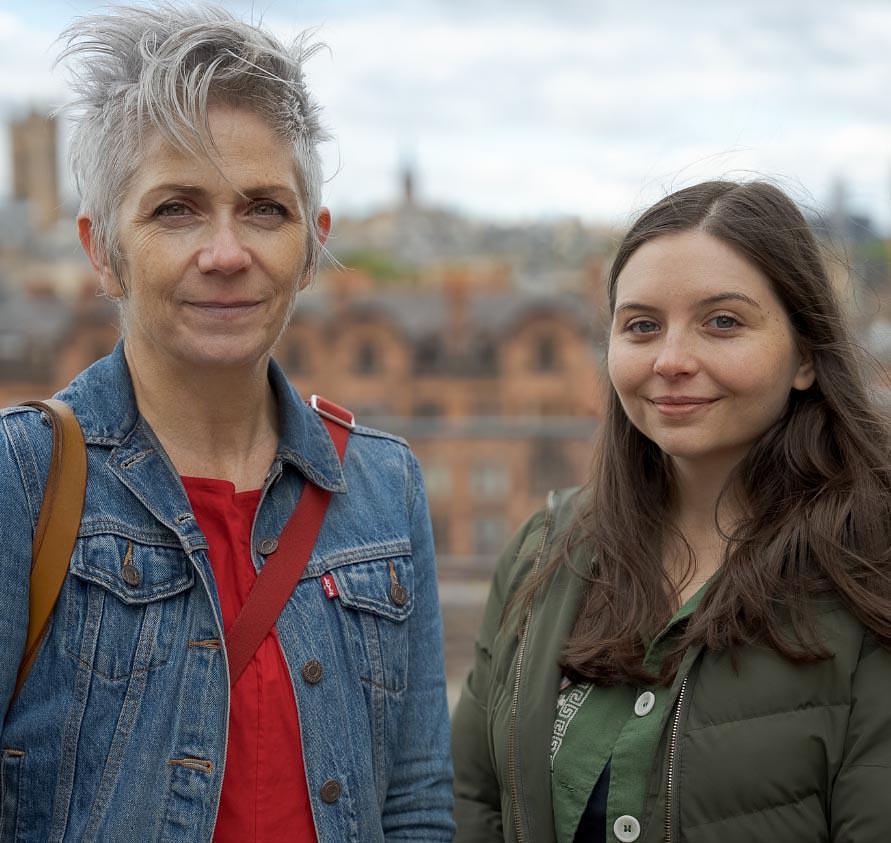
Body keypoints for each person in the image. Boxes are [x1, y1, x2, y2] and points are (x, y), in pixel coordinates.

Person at [0, 5, 454, 841]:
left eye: (264, 209)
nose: (225, 251)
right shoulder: (21, 479)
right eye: (176, 209)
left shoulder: (383, 485)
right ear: (102, 251)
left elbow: (415, 796)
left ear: (312, 246)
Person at [452, 180, 891, 843]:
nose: (670, 359)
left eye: (722, 321)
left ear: (804, 354)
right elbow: (472, 800)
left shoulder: (872, 565)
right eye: (640, 325)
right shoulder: (546, 550)